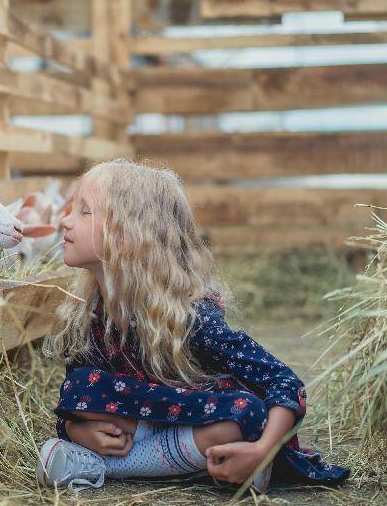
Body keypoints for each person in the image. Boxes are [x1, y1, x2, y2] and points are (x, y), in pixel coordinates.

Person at [35, 159, 349, 494]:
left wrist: (263, 448)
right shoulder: (88, 315)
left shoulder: (191, 318)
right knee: (81, 384)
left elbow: (283, 381)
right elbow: (75, 399)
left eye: (84, 211)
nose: (65, 221)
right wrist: (75, 428)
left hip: (199, 419)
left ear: (127, 234)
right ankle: (159, 462)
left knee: (243, 413)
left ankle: (105, 467)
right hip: (140, 424)